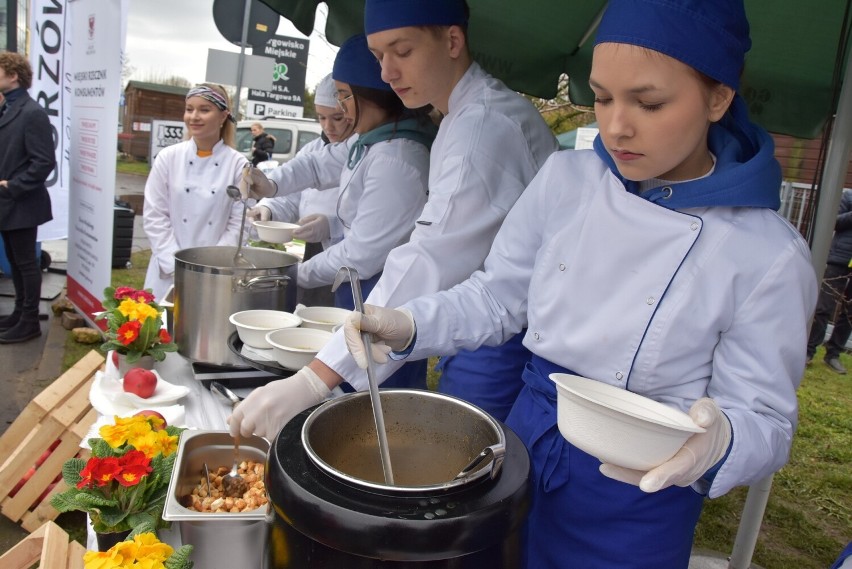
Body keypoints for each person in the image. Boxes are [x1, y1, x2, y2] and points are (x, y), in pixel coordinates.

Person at [342, 1, 818, 567]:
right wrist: (412, 323)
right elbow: (498, 295)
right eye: (602, 96)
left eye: (649, 102)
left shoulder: (766, 253)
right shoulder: (569, 179)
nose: (615, 126)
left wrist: (718, 444)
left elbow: (765, 418)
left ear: (718, 98)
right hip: (525, 445)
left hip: (639, 495)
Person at [228, 0, 558, 439]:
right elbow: (323, 165)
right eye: (379, 55)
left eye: (402, 52)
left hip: (504, 326)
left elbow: (430, 258)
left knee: (459, 448)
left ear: (453, 41)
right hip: (472, 309)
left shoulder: (480, 128)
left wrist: (315, 378)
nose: (386, 73)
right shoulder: (461, 115)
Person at [143, 83, 263, 301]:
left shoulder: (238, 165)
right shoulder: (168, 158)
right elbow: (155, 216)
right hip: (167, 270)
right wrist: (175, 265)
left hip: (217, 273)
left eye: (204, 110)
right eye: (189, 109)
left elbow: (241, 221)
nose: (194, 116)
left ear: (223, 116)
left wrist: (210, 266)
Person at [248, 74, 354, 307]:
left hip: (351, 259)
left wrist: (332, 225)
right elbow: (292, 194)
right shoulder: (313, 149)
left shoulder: (366, 152)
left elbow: (375, 221)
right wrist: (268, 208)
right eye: (321, 117)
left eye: (337, 117)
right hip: (313, 251)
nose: (328, 127)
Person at [0, 52, 55, 344]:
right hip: (7, 204)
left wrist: (12, 186)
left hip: (21, 202)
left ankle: (30, 322)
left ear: (13, 75)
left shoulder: (32, 112)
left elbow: (44, 162)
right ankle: (19, 314)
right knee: (13, 259)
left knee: (25, 263)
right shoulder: (7, 108)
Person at [806, 189, 852, 374]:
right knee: (824, 306)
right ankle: (809, 351)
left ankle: (833, 353)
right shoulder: (847, 196)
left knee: (850, 312)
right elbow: (835, 222)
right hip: (839, 258)